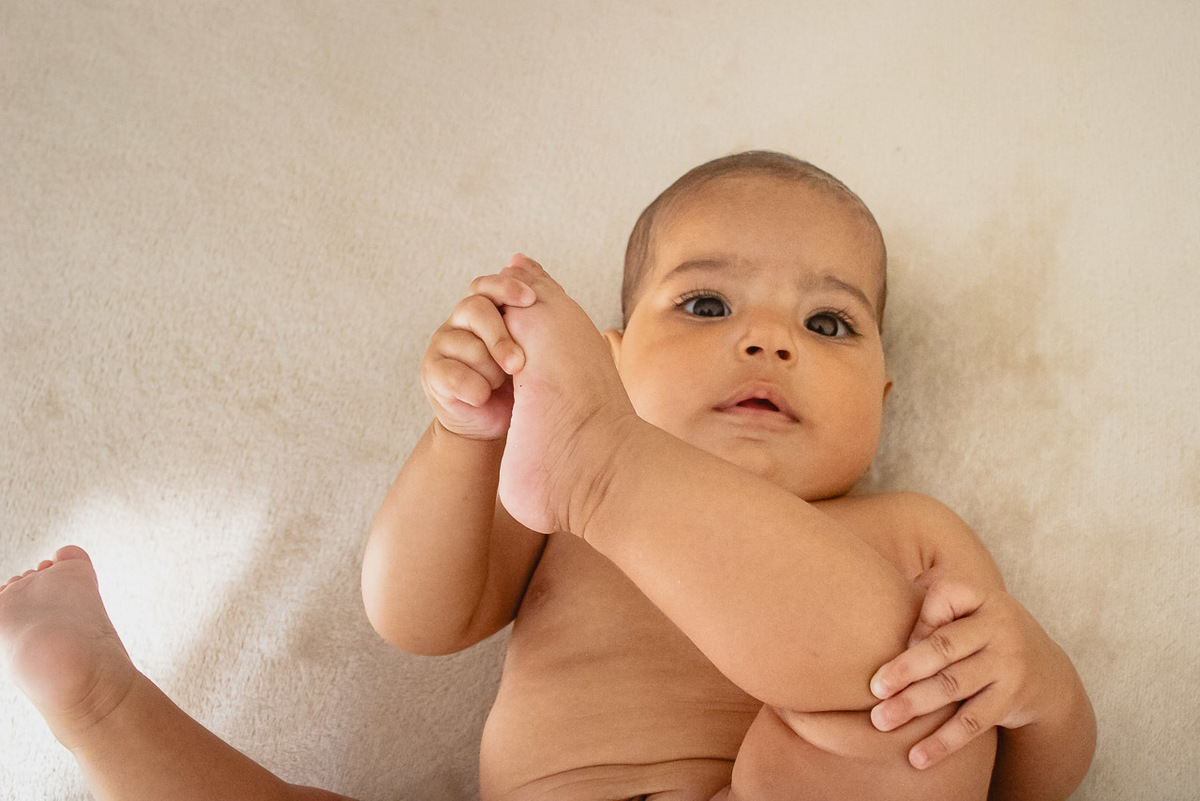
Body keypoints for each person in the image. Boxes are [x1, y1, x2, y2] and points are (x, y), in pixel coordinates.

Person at [0, 152, 1094, 800]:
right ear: (608, 360)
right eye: (707, 305)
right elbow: (418, 617)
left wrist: (1035, 682)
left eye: (829, 321)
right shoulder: (560, 521)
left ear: (886, 397)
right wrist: (467, 438)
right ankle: (103, 704)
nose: (770, 342)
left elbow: (1015, 776)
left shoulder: (904, 529)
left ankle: (99, 711)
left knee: (905, 688)